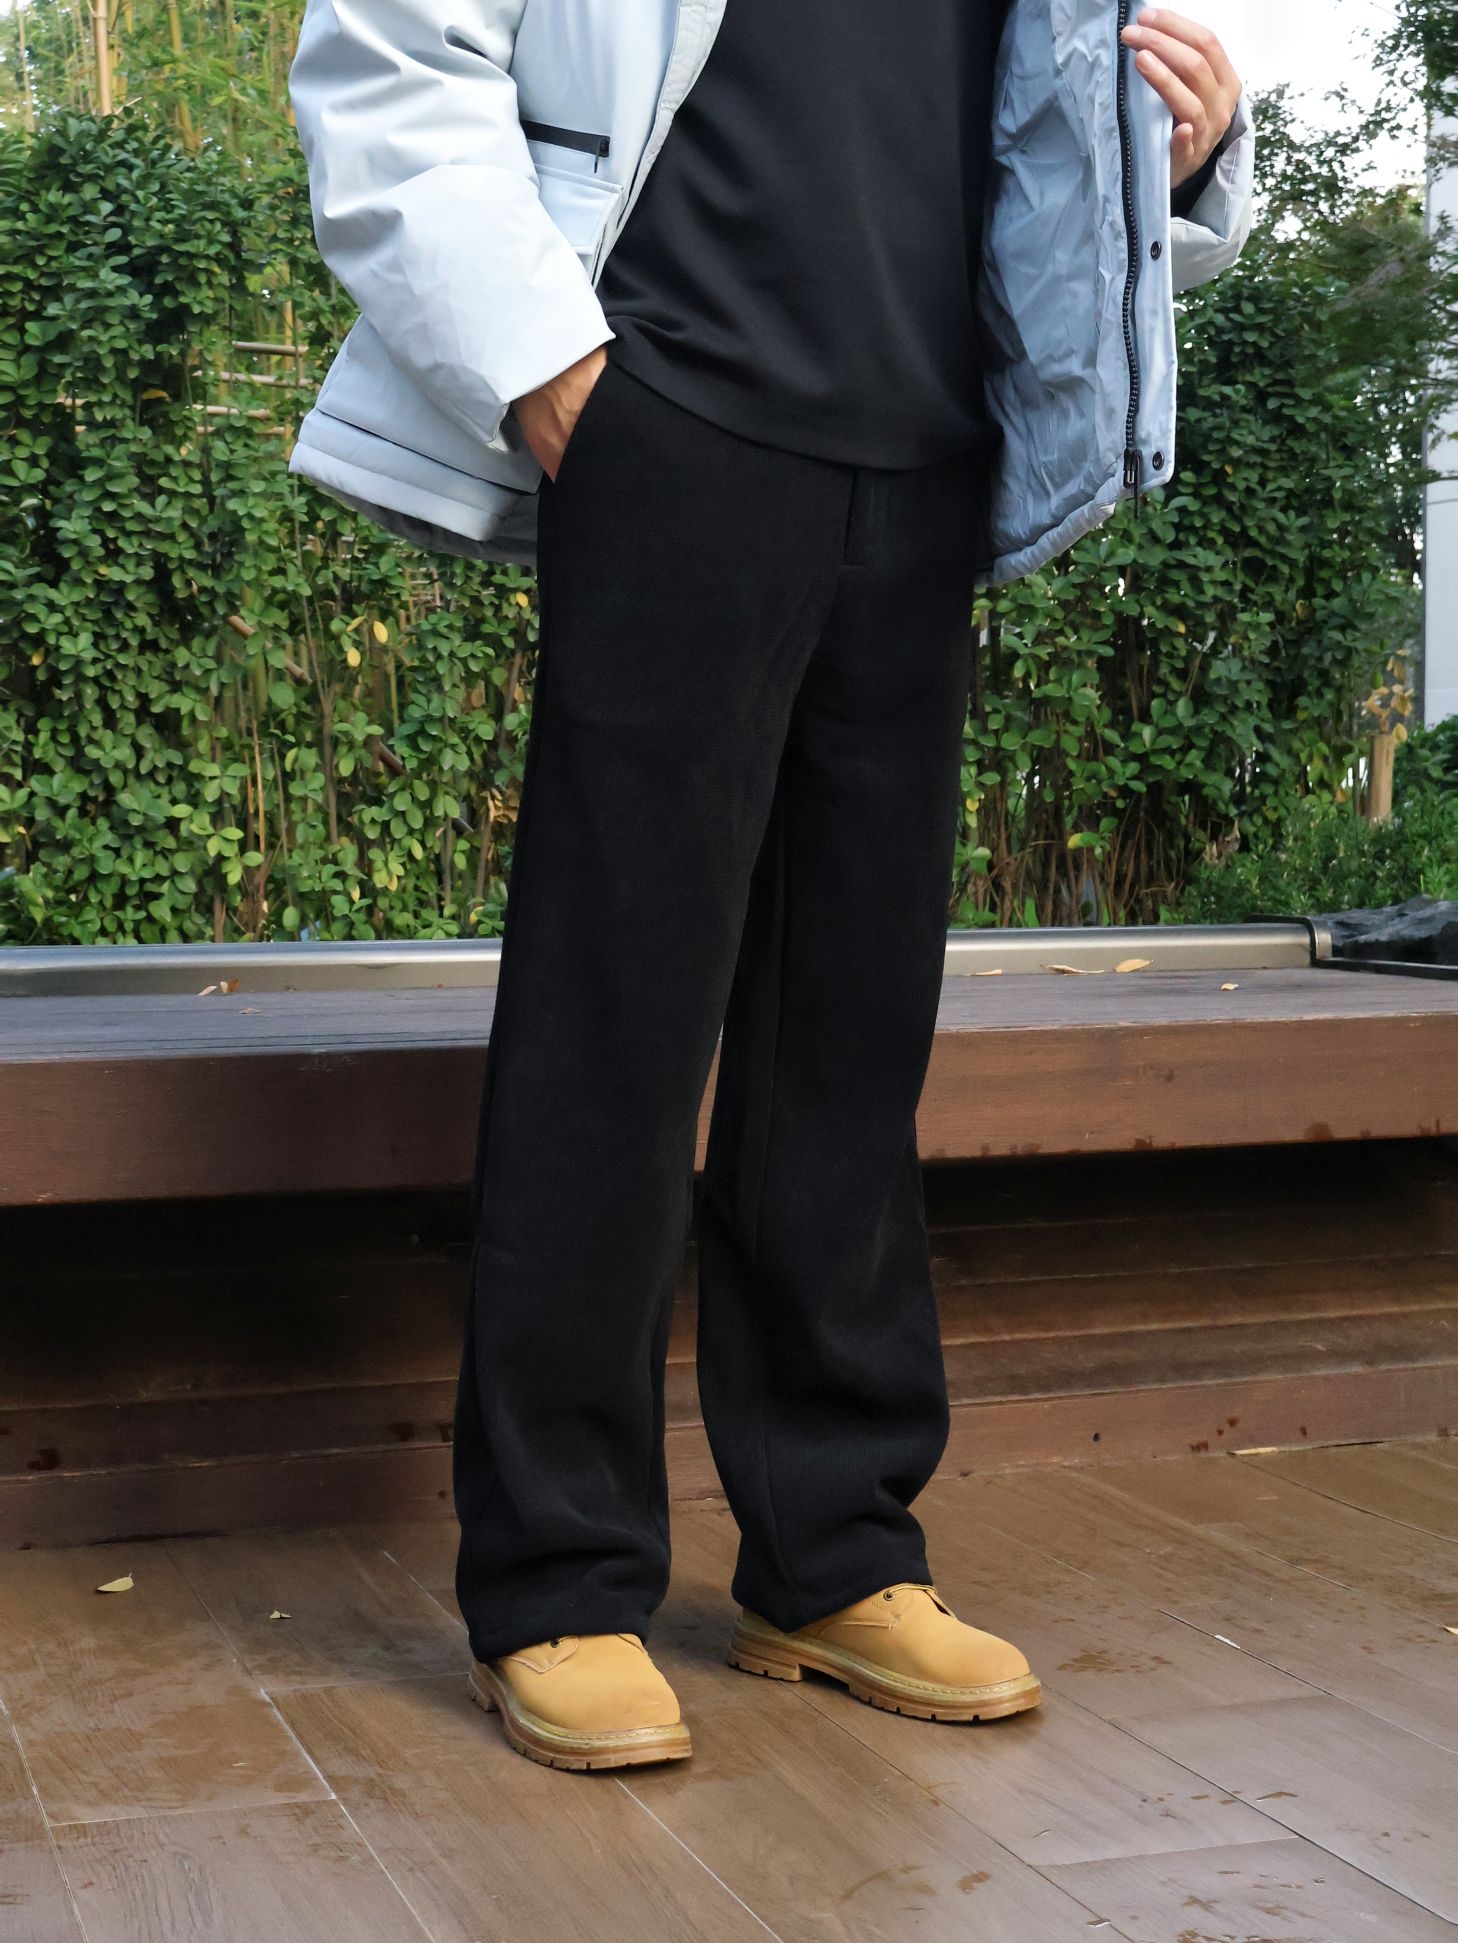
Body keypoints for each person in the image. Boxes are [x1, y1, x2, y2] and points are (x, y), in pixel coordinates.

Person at [289, 0, 1254, 1771]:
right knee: (614, 1027)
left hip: (932, 457)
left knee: (849, 1044)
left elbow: (1030, 132)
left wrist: (1169, 161)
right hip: (671, 422)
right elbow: (388, 53)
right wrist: (552, 373)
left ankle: (834, 1552)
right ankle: (558, 1579)